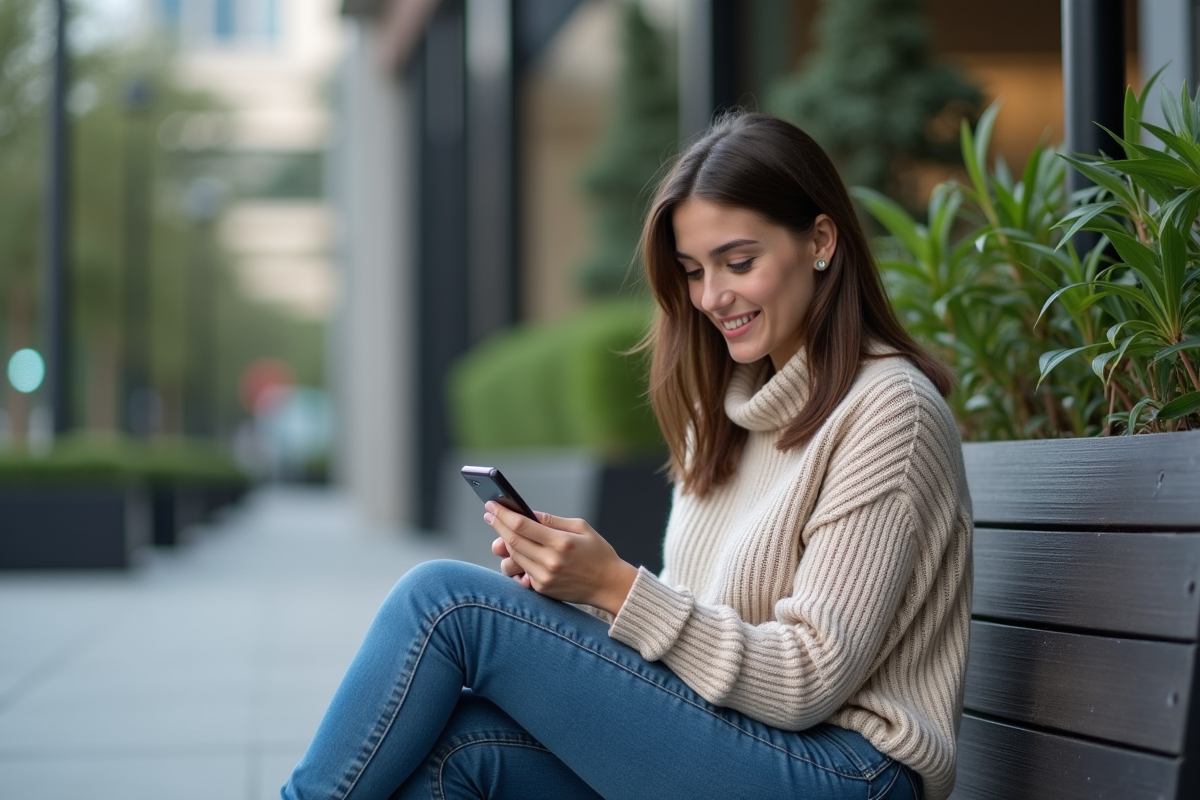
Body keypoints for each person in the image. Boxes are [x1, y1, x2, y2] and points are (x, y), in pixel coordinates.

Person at [282, 112, 972, 800]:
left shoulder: (888, 411)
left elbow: (807, 678)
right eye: (695, 270)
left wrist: (614, 587)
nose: (711, 297)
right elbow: (694, 630)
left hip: (849, 772)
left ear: (820, 241)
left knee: (445, 603)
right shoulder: (725, 411)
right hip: (744, 741)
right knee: (459, 753)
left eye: (739, 262)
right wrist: (579, 590)